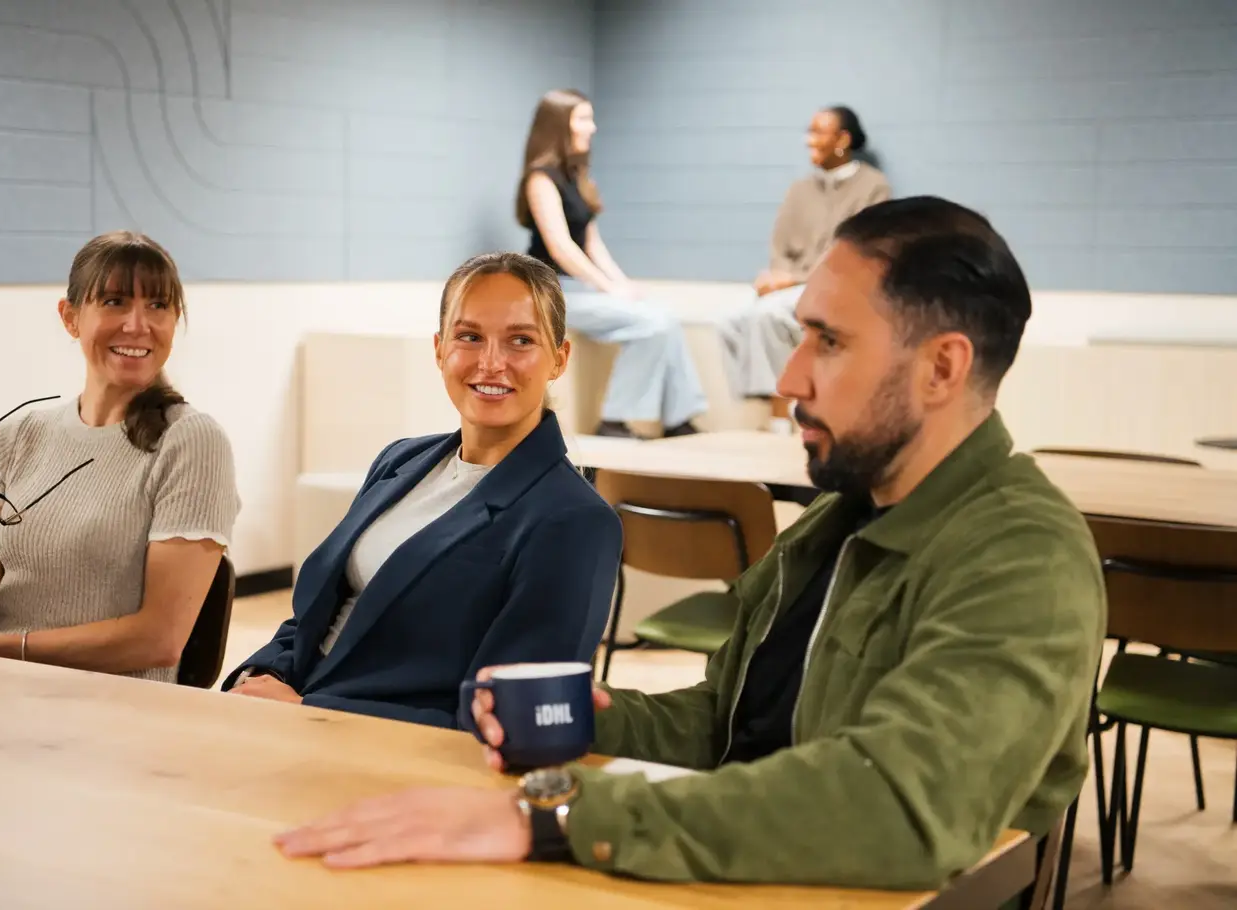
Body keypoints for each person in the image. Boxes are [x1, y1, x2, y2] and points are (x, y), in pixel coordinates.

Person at [270, 198, 1108, 896]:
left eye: (828, 341)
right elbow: (726, 723)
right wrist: (592, 719)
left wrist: (557, 816)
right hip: (758, 873)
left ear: (942, 368)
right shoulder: (837, 521)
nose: (789, 379)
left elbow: (897, 806)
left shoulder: (1022, 556)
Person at [223, 252, 622, 728]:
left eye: (521, 340)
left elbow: (509, 717)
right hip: (287, 722)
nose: (491, 363)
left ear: (558, 359)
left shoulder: (575, 521)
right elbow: (316, 619)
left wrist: (308, 711)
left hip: (388, 753)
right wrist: (261, 673)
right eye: (469, 337)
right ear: (439, 349)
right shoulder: (402, 460)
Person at [0, 231, 240, 683]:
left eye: (157, 305)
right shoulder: (16, 438)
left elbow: (159, 639)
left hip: (112, 708)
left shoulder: (191, 442)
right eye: (114, 302)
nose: (137, 325)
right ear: (70, 318)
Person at [519, 88, 707, 439]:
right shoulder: (540, 179)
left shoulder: (578, 176)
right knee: (651, 325)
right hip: (551, 294)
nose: (592, 127)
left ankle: (678, 419)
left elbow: (592, 244)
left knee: (664, 317)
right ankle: (614, 421)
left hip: (580, 287)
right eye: (583, 119)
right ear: (560, 125)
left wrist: (622, 285)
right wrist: (607, 288)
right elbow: (561, 248)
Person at [719, 105, 892, 428]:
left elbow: (860, 254)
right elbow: (779, 245)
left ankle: (779, 416)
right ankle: (763, 403)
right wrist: (777, 277)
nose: (809, 140)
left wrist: (793, 279)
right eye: (809, 132)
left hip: (840, 289)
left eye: (818, 132)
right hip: (792, 287)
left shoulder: (873, 187)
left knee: (767, 315)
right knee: (730, 322)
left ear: (843, 139)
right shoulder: (799, 189)